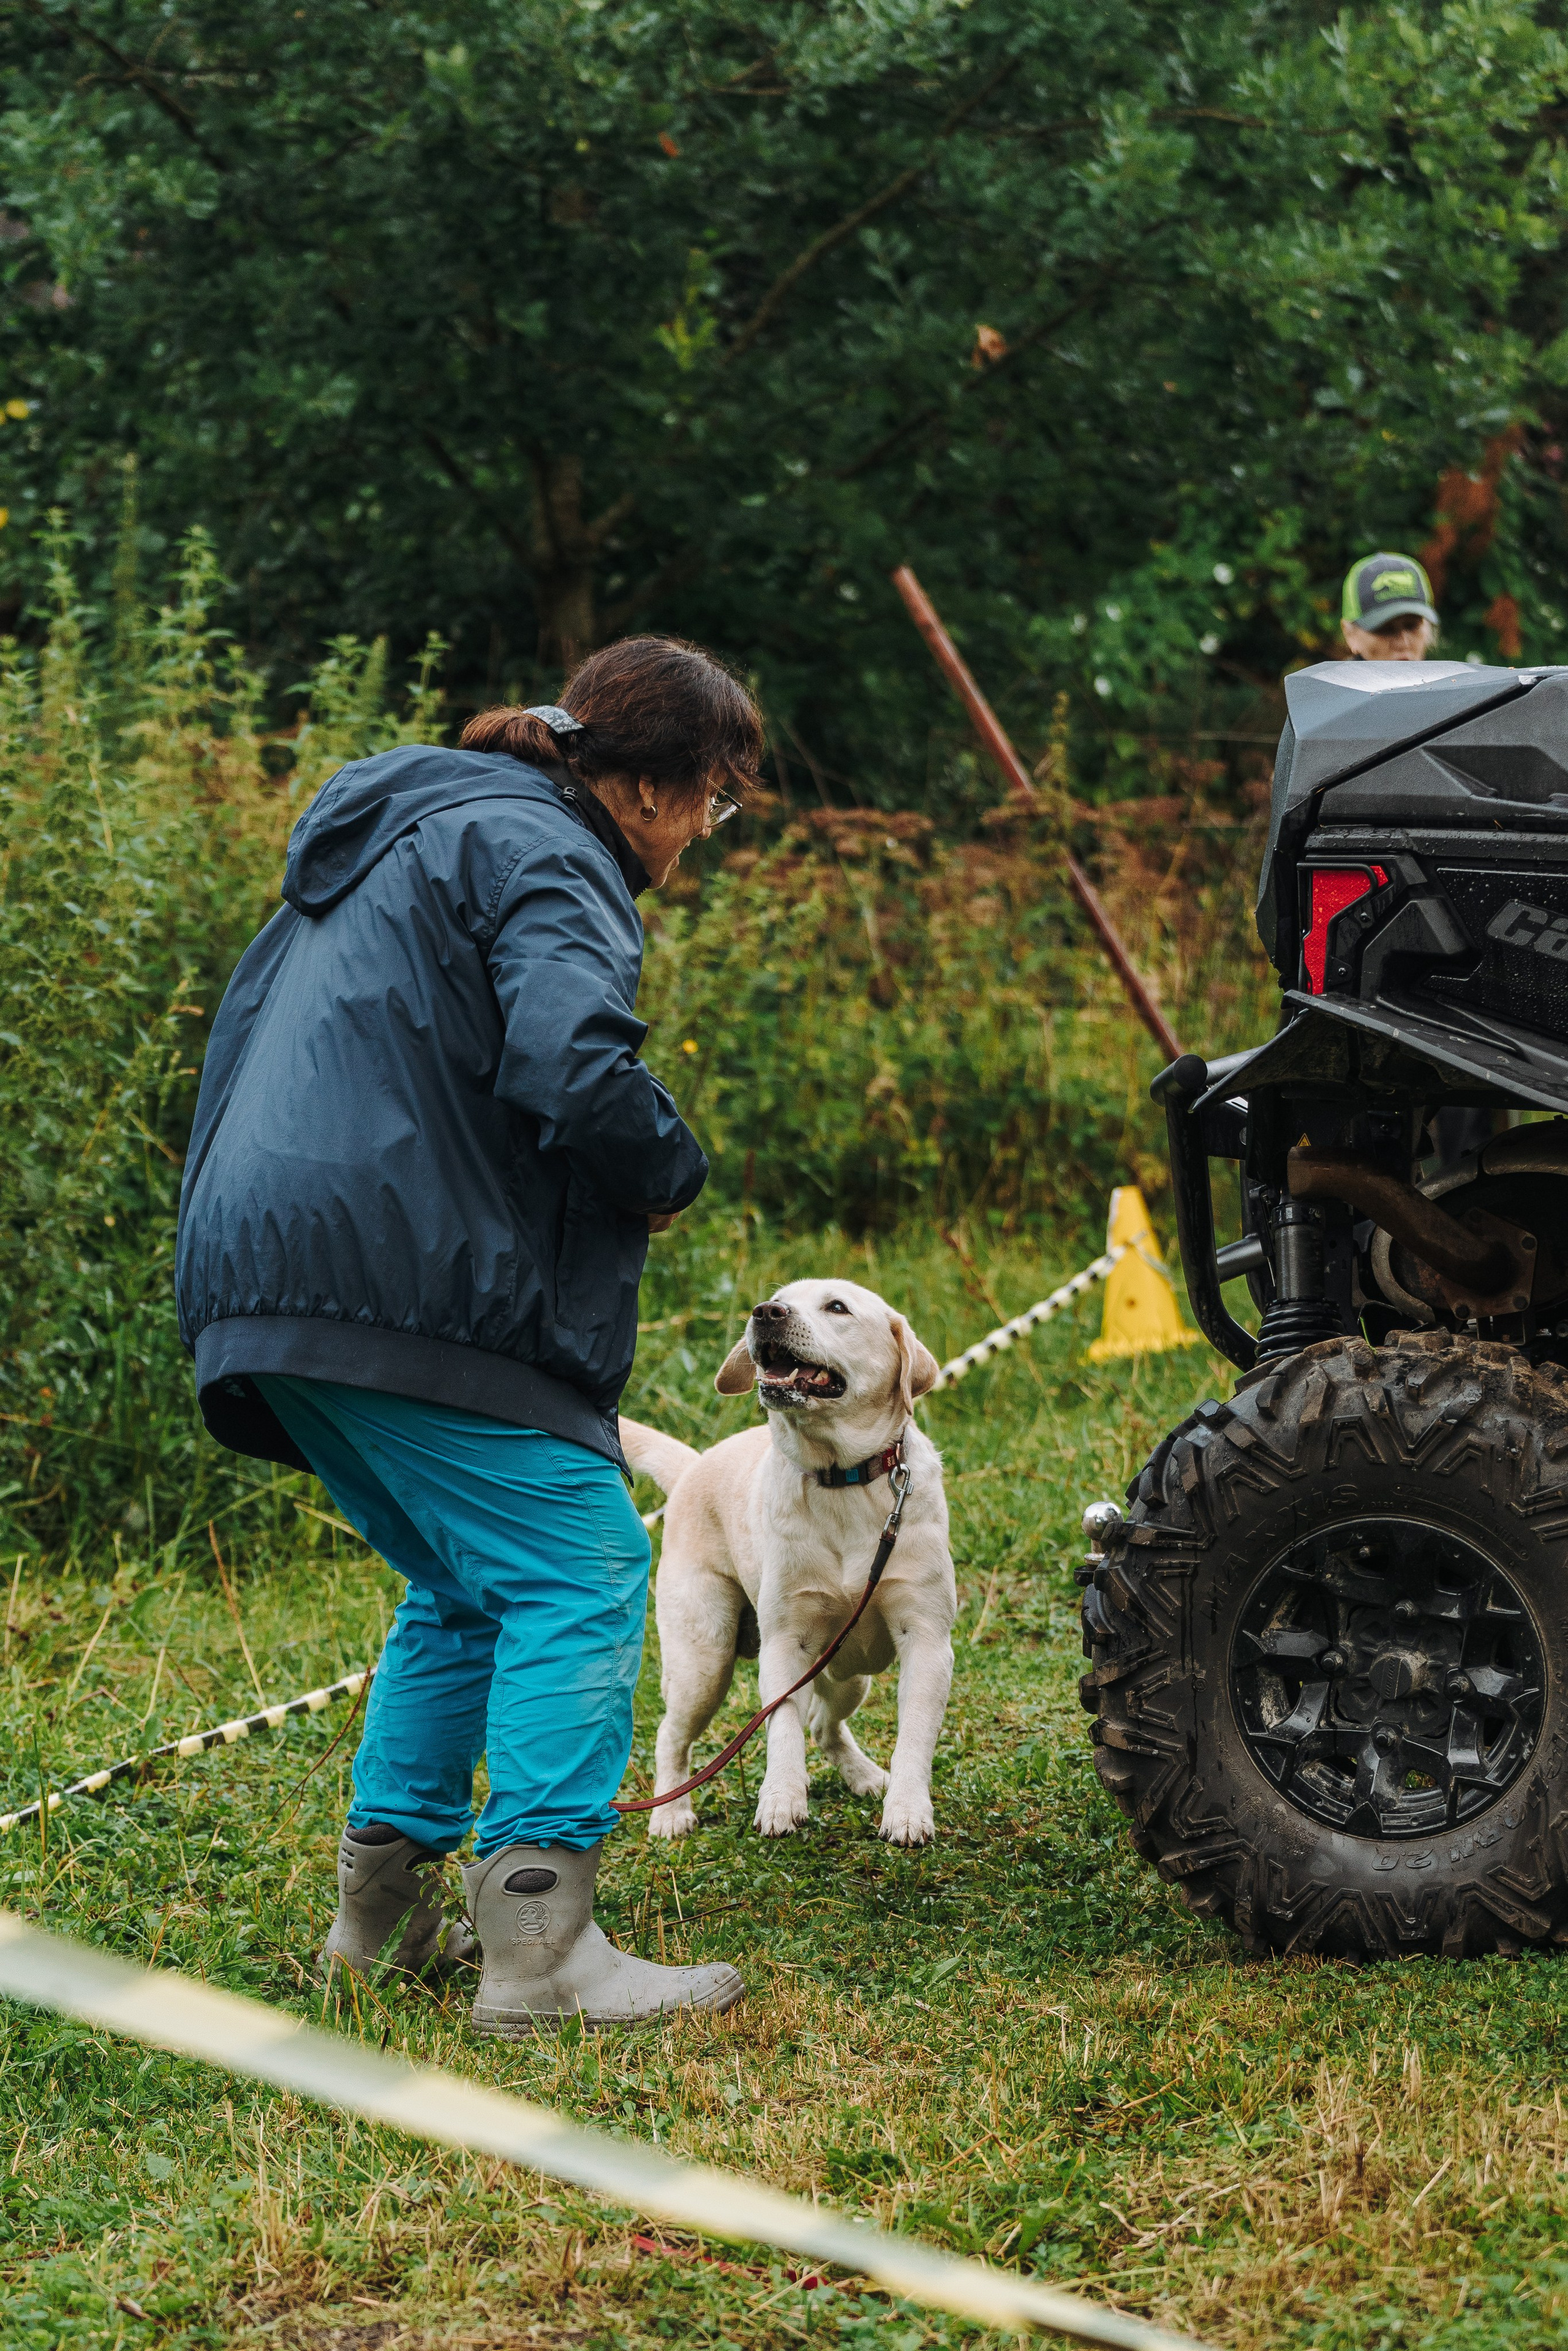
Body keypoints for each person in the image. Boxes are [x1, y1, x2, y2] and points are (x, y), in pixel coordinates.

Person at [175, 635, 762, 2036]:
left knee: (462, 1581)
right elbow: (568, 1060)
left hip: (263, 1261)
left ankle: (377, 1923)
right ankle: (544, 1957)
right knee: (579, 1560)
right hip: (394, 1265)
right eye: (712, 803)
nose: (702, 836)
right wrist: (665, 1164)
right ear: (649, 789)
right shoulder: (549, 852)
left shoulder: (412, 830)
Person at [1340, 551, 1439, 661]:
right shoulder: (1329, 678)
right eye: (1386, 630)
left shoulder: (1451, 677)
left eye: (1412, 627)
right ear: (1350, 635)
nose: (1403, 643)